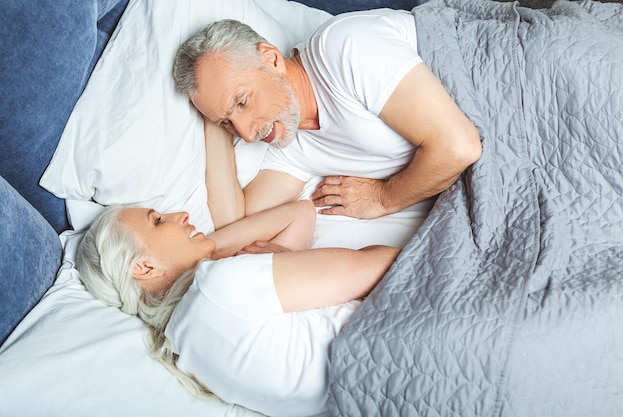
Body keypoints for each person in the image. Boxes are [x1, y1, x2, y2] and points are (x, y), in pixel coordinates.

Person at [75, 199, 400, 416]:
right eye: (159, 222)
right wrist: (209, 258)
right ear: (144, 268)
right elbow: (389, 263)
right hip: (394, 343)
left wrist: (200, 250)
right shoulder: (218, 286)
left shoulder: (185, 350)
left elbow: (301, 214)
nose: (181, 215)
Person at [173, 13, 482, 228]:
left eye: (242, 102)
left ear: (271, 59)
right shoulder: (290, 144)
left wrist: (384, 198)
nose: (246, 133)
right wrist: (215, 123)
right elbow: (235, 221)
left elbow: (458, 146)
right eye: (228, 123)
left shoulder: (341, 48)